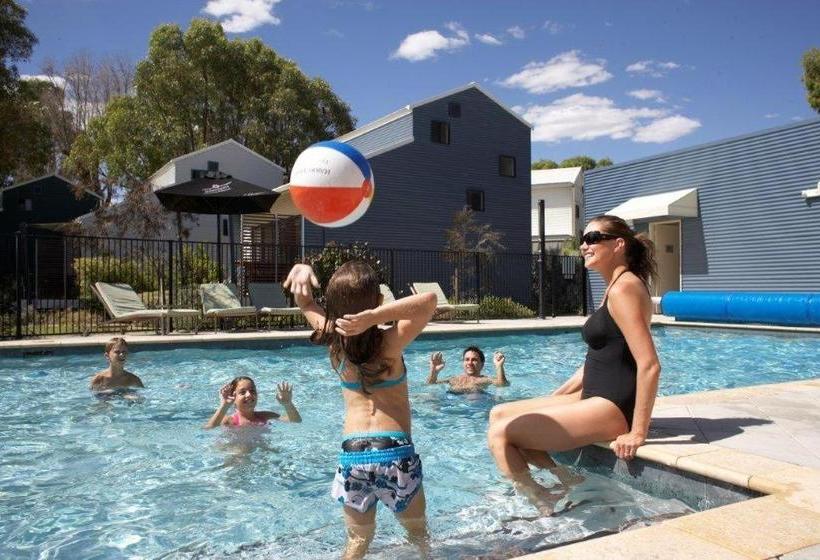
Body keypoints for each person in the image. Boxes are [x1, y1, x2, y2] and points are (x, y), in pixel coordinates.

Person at [486, 214, 661, 514]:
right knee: (498, 412)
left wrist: (637, 432)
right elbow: (600, 358)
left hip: (613, 406)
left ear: (618, 245)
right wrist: (554, 399)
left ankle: (545, 504)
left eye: (592, 239)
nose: (583, 245)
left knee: (501, 433)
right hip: (593, 396)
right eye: (583, 238)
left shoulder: (624, 288)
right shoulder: (616, 286)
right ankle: (567, 478)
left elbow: (649, 364)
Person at [285, 260, 436, 560]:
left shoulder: (335, 342)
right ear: (378, 301)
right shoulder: (390, 344)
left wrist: (301, 267)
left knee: (357, 542)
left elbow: (304, 301)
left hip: (352, 453)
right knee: (418, 536)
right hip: (394, 450)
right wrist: (375, 316)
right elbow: (428, 302)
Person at [204, 377, 301, 429]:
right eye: (242, 392)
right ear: (234, 397)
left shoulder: (265, 416)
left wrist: (288, 404)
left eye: (252, 391)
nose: (249, 395)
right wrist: (224, 405)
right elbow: (209, 428)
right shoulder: (229, 421)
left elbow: (295, 421)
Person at [426, 346, 509, 392]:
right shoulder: (453, 379)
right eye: (467, 359)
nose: (470, 363)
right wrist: (434, 370)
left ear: (482, 364)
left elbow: (502, 384)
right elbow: (431, 384)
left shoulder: (485, 379)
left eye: (474, 360)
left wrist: (499, 366)